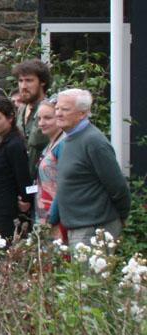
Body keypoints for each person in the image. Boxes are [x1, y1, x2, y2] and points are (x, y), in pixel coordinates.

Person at [49, 89, 131, 248]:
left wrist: (122, 217)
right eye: (57, 108)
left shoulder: (94, 142)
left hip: (94, 228)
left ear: (82, 113)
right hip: (77, 227)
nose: (58, 113)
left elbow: (117, 186)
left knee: (90, 274)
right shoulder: (68, 140)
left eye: (65, 109)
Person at [0, 97, 32, 238]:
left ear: (10, 118)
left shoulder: (15, 144)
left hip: (5, 210)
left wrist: (26, 200)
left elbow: (24, 177)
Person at [12, 59, 52, 177]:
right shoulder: (21, 110)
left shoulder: (52, 110)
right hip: (24, 181)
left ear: (42, 82)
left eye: (29, 80)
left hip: (45, 180)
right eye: (20, 81)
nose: (23, 86)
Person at [34, 98, 65, 235]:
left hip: (57, 216)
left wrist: (52, 217)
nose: (41, 123)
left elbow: (64, 184)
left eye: (47, 118)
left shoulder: (64, 144)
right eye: (39, 118)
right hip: (43, 213)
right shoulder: (49, 145)